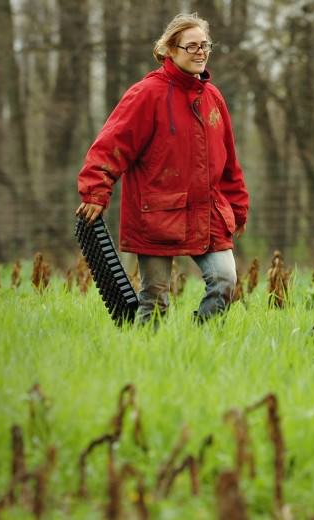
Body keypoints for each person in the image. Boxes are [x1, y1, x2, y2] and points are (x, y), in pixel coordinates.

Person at [76, 13, 249, 324]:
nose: (200, 52)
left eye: (205, 45)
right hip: (156, 215)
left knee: (225, 281)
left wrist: (237, 208)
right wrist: (95, 191)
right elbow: (110, 145)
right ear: (170, 50)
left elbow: (229, 163)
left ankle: (201, 346)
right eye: (191, 46)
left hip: (207, 213)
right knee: (156, 300)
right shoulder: (146, 93)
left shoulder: (213, 98)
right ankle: (145, 357)